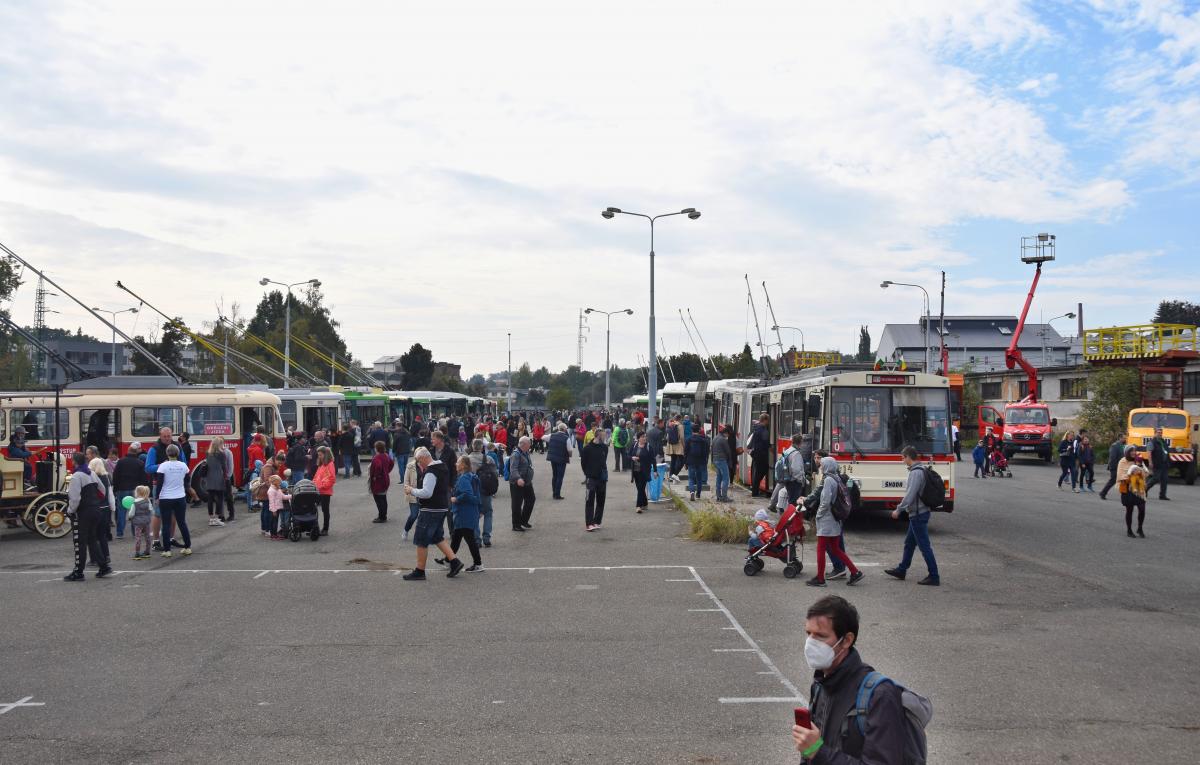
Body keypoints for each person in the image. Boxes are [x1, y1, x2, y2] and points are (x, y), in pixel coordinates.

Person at [792, 596, 909, 763]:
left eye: (820, 636)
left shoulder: (880, 696)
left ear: (847, 640)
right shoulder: (821, 683)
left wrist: (817, 751)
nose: (810, 643)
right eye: (808, 633)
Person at [402, 447, 464, 580]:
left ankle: (419, 571)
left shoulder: (431, 471)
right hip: (441, 507)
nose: (419, 464)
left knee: (421, 539)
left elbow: (427, 493)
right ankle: (454, 562)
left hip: (430, 509)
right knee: (437, 537)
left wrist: (411, 490)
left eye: (419, 461)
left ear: (424, 458)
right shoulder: (442, 467)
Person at [885, 445, 941, 586]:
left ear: (909, 457)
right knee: (909, 544)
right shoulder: (921, 469)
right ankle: (902, 569)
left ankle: (934, 576)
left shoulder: (916, 473)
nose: (902, 460)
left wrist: (898, 510)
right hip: (919, 513)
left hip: (918, 514)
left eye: (903, 458)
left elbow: (910, 495)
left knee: (924, 546)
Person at [806, 457, 864, 588]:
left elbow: (825, 502)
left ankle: (820, 579)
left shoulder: (828, 480)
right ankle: (855, 572)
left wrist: (818, 516)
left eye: (822, 465)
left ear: (827, 466)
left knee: (821, 548)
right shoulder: (838, 478)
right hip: (837, 518)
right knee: (836, 549)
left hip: (827, 519)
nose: (820, 467)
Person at [63, 452, 112, 581]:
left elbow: (74, 498)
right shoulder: (92, 473)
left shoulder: (76, 476)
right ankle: (103, 566)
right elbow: (102, 490)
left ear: (74, 462)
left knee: (80, 542)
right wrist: (97, 500)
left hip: (83, 512)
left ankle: (78, 572)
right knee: (92, 539)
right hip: (95, 509)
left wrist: (70, 511)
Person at [155, 444, 196, 558]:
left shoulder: (163, 466)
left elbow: (159, 483)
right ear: (178, 453)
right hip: (180, 496)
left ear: (167, 453)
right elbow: (187, 480)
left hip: (166, 497)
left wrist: (157, 497)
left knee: (166, 523)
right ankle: (187, 547)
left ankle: (167, 550)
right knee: (182, 522)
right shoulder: (183, 465)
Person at [444, 455, 484, 572]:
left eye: (458, 462)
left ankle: (478, 564)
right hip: (470, 512)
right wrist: (480, 509)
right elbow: (477, 494)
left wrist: (456, 499)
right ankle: (447, 560)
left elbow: (468, 494)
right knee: (457, 537)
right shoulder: (472, 476)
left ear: (463, 465)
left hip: (464, 513)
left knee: (470, 540)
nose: (456, 464)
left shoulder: (463, 478)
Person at [111, 441, 145, 540]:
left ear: (128, 450)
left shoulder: (121, 461)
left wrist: (116, 489)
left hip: (122, 489)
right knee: (134, 511)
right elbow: (143, 478)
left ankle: (120, 533)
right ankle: (135, 533)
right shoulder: (140, 463)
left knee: (121, 511)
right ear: (136, 452)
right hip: (135, 490)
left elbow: (115, 476)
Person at [1117, 445, 1150, 538]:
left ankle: (1140, 528)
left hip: (1140, 489)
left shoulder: (1138, 459)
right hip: (1128, 489)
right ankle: (1129, 530)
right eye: (1131, 451)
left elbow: (1146, 473)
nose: (1133, 453)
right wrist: (1131, 475)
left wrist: (1141, 473)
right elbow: (1120, 476)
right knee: (1130, 510)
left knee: (1142, 509)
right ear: (1127, 452)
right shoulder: (1122, 461)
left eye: (1134, 451)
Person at [581, 428, 609, 531]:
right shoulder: (587, 448)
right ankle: (589, 523)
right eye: (603, 435)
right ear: (598, 435)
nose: (605, 437)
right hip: (591, 478)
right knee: (590, 500)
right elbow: (583, 463)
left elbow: (603, 460)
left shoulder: (604, 447)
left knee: (601, 500)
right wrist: (588, 474)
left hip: (602, 477)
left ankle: (597, 521)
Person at [508, 436, 536, 531]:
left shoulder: (526, 452)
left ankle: (523, 520)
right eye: (529, 444)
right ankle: (516, 525)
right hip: (517, 482)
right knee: (517, 504)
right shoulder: (516, 454)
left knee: (531, 499)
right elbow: (513, 469)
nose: (530, 445)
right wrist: (518, 478)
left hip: (526, 481)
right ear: (523, 444)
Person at [204, 436, 231, 527]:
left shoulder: (208, 453)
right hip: (219, 477)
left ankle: (211, 518)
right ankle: (217, 518)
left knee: (210, 498)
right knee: (219, 498)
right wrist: (226, 477)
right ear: (219, 444)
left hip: (210, 477)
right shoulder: (221, 454)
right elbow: (224, 467)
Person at [369, 441, 394, 523]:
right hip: (385, 479)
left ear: (377, 448)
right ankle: (384, 515)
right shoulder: (386, 455)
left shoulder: (377, 457)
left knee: (379, 499)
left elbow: (378, 467)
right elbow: (392, 463)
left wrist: (376, 476)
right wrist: (387, 471)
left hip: (379, 481)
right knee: (383, 498)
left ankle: (382, 517)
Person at [313, 445, 336, 535]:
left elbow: (331, 478)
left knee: (325, 510)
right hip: (318, 490)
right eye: (318, 455)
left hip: (325, 491)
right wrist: (313, 484)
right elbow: (316, 476)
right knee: (315, 509)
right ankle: (316, 526)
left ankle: (325, 528)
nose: (319, 457)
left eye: (320, 455)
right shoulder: (321, 465)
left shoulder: (330, 464)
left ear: (325, 455)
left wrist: (322, 486)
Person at [1144, 426, 1172, 501]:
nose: (1160, 434)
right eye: (1158, 432)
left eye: (1161, 432)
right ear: (1155, 433)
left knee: (1164, 480)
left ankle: (1162, 495)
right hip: (1156, 463)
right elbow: (1149, 453)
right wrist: (1150, 462)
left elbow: (1166, 451)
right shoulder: (1152, 442)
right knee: (1156, 478)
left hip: (1164, 464)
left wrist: (1168, 461)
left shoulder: (1163, 441)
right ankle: (1145, 489)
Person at [684, 424, 710, 502]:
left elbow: (686, 452)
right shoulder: (703, 440)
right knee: (699, 478)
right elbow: (705, 452)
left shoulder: (688, 439)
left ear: (692, 430)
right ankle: (698, 494)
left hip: (691, 461)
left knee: (691, 478)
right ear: (699, 430)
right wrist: (705, 461)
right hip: (700, 462)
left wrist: (685, 462)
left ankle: (692, 491)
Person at [748, 414, 771, 497]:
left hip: (756, 453)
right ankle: (755, 491)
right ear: (764, 420)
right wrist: (769, 446)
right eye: (768, 420)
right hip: (761, 453)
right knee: (762, 470)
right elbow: (764, 441)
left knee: (758, 472)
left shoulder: (756, 427)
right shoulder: (762, 429)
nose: (768, 422)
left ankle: (755, 490)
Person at [128, 485, 154, 560]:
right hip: (147, 521)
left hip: (138, 522)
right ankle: (147, 551)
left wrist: (130, 517)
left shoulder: (134, 503)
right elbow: (151, 510)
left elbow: (131, 514)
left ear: (137, 493)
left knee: (138, 537)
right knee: (147, 536)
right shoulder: (147, 500)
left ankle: (137, 553)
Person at [1098, 434, 1127, 500]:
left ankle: (1125, 495)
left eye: (1125, 438)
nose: (1125, 439)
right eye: (1124, 438)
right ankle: (1103, 493)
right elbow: (1112, 457)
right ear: (1120, 438)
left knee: (1124, 480)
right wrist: (1113, 467)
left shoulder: (1122, 445)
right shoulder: (1115, 445)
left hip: (1121, 466)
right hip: (1115, 466)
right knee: (1113, 480)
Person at [546, 422, 571, 500]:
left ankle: (554, 493)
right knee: (560, 477)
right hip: (562, 459)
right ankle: (557, 494)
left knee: (555, 476)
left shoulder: (552, 435)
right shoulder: (566, 438)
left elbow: (543, 437)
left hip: (553, 458)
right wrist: (570, 455)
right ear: (564, 429)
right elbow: (570, 450)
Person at [401, 449, 422, 541]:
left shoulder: (428, 465)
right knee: (414, 515)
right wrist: (407, 489)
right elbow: (406, 481)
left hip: (425, 494)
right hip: (413, 494)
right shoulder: (410, 465)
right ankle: (406, 530)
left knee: (424, 516)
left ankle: (421, 534)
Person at [632, 432, 653, 513]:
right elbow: (628, 455)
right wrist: (632, 457)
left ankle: (638, 506)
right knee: (639, 488)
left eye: (645, 437)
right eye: (642, 437)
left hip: (644, 471)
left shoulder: (648, 447)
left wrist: (655, 470)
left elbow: (652, 459)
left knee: (641, 488)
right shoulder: (634, 446)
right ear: (638, 438)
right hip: (635, 471)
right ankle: (645, 503)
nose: (644, 438)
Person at [711, 425, 733, 502]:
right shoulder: (723, 440)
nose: (728, 436)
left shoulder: (715, 438)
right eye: (728, 434)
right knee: (726, 478)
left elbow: (712, 450)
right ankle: (724, 497)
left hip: (716, 460)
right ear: (726, 433)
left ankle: (718, 496)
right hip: (722, 460)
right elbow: (728, 451)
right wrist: (730, 461)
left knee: (719, 478)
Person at [664, 415, 685, 483]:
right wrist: (684, 446)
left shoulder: (670, 424)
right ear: (680, 419)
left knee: (673, 460)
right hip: (678, 445)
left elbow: (667, 437)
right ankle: (674, 474)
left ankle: (671, 476)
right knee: (682, 461)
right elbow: (681, 437)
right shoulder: (680, 426)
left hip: (671, 445)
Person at [266, 474, 287, 540]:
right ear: (275, 482)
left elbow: (283, 496)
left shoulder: (277, 489)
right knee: (273, 523)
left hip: (277, 508)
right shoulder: (271, 490)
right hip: (274, 509)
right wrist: (274, 510)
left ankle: (274, 534)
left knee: (275, 522)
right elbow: (271, 502)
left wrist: (291, 496)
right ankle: (274, 535)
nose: (280, 483)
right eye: (279, 482)